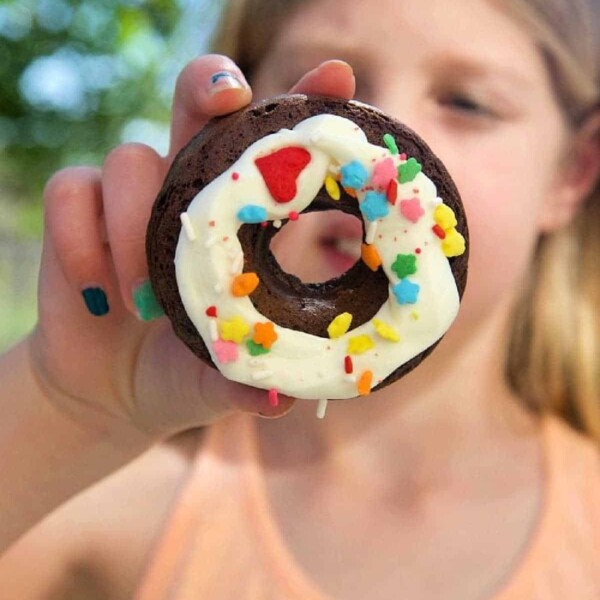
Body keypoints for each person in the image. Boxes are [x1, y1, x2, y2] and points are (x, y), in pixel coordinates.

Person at [0, 0, 598, 598]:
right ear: (249, 117)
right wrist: (63, 412)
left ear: (573, 170)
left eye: (467, 101)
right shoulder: (120, 501)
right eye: (326, 79)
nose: (380, 122)